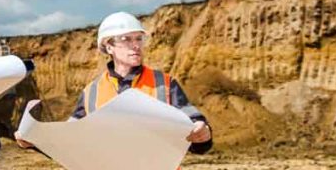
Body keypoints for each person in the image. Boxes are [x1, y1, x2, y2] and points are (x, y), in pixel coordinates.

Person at [16, 11, 213, 154]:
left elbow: (195, 126)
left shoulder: (164, 84)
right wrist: (34, 141)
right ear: (108, 47)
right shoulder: (91, 93)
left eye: (139, 39)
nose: (135, 45)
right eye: (126, 39)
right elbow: (70, 143)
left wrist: (203, 133)